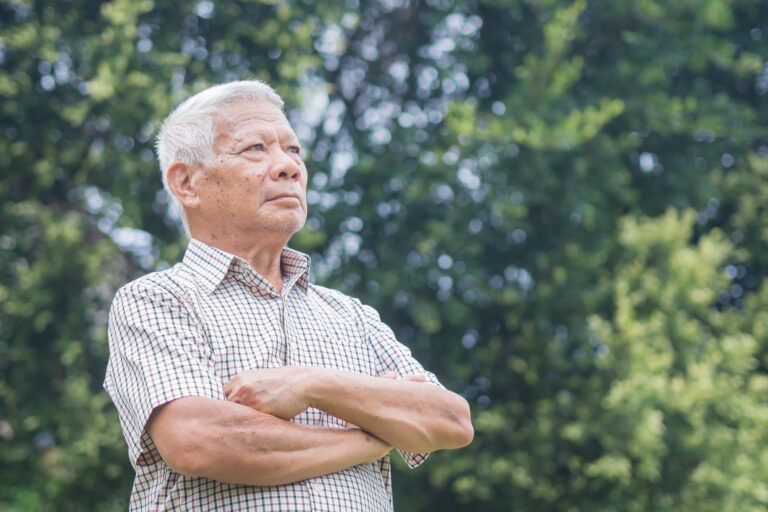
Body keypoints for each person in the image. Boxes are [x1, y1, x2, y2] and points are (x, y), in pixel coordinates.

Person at [103, 79, 473, 511]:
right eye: (255, 149)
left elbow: (450, 421)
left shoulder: (348, 314)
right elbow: (199, 441)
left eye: (293, 150)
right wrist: (372, 438)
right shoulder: (157, 300)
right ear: (187, 183)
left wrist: (311, 384)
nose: (288, 167)